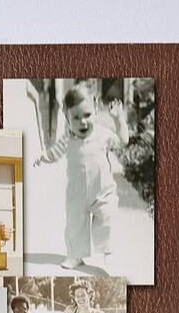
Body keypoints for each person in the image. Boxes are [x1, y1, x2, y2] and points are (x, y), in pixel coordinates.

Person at [33, 84, 129, 271]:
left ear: (96, 109)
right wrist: (42, 157)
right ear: (67, 117)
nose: (82, 122)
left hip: (103, 192)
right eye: (75, 117)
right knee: (75, 225)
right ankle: (75, 256)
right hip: (77, 194)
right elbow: (54, 153)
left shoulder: (102, 135)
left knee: (108, 218)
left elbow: (123, 141)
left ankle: (109, 251)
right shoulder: (67, 139)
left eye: (87, 115)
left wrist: (119, 120)